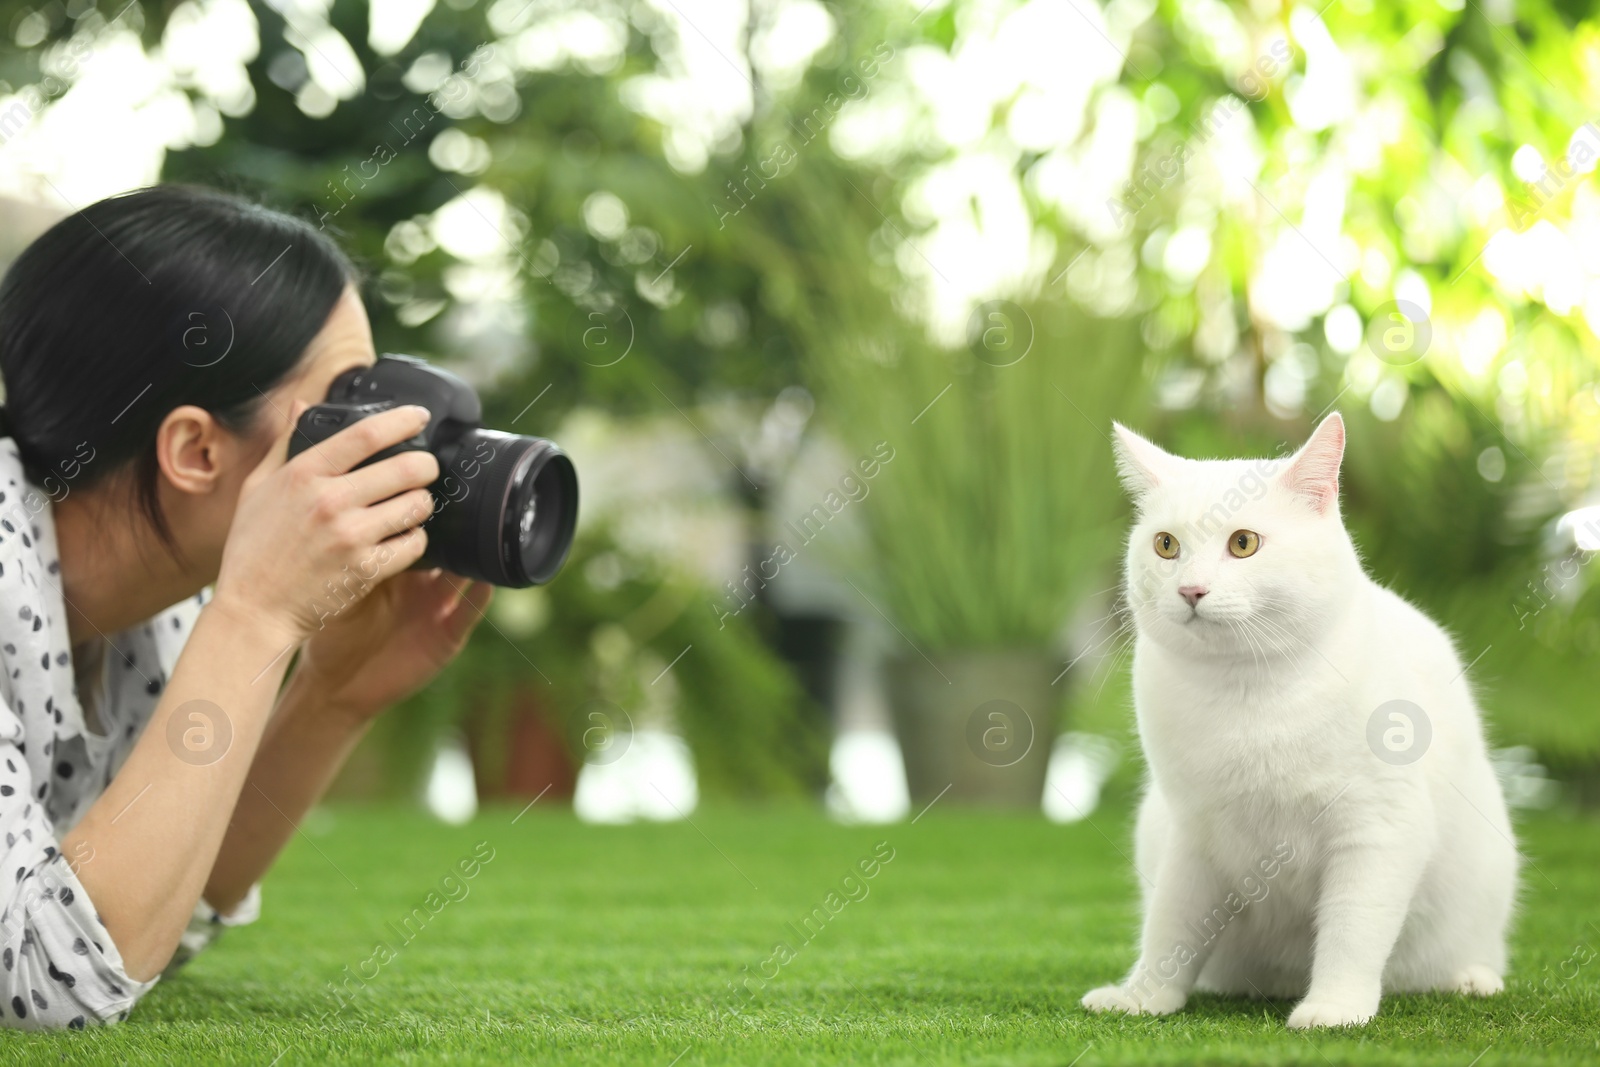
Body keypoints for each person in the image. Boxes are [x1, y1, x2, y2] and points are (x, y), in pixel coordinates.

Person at [0, 184, 492, 1030]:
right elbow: (47, 983)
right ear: (195, 449)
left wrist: (331, 698)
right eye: (349, 402)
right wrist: (257, 617)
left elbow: (151, 919)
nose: (384, 445)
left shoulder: (152, 605)